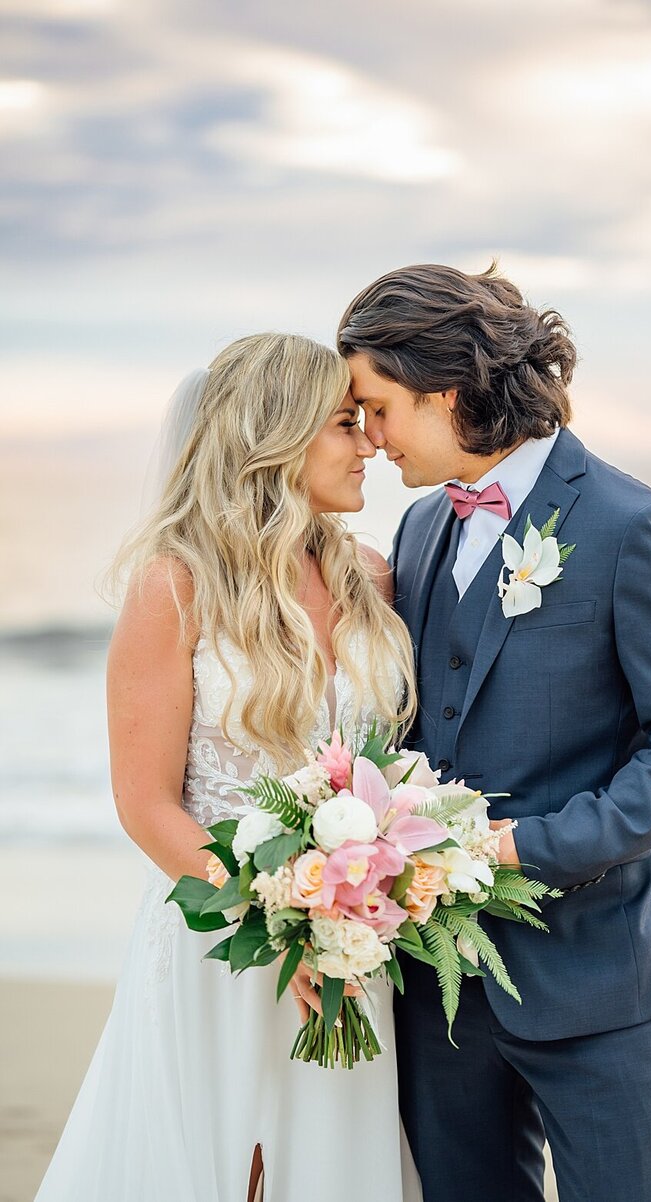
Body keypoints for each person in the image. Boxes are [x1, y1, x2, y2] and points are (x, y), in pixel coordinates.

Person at [338, 264, 651, 1202]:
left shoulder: (631, 526)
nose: (371, 436)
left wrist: (536, 847)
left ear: (444, 394)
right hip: (437, 979)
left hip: (595, 973)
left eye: (380, 407)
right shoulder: (419, 532)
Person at [34, 332, 422, 1202]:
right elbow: (146, 803)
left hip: (354, 945)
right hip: (224, 936)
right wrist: (284, 936)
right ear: (275, 438)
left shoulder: (372, 578)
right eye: (343, 423)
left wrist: (350, 923)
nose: (368, 444)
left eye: (365, 421)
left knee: (331, 1162)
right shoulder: (173, 587)